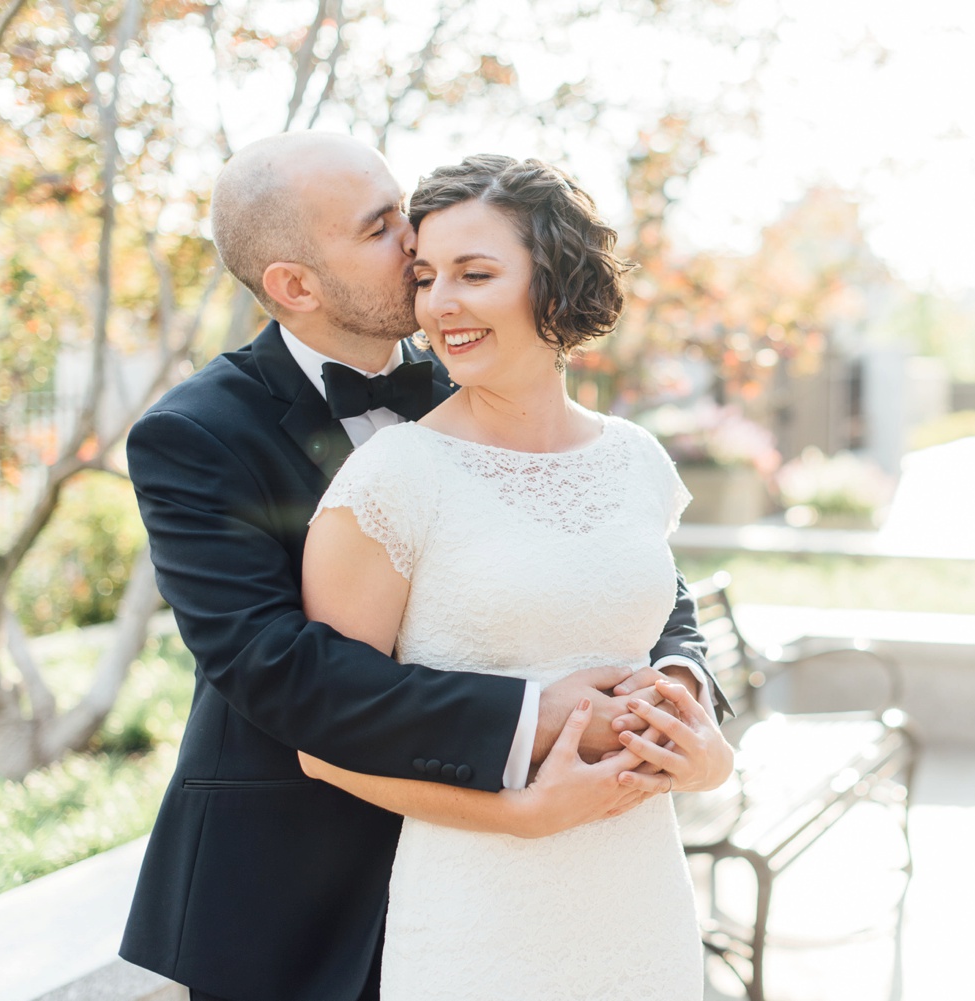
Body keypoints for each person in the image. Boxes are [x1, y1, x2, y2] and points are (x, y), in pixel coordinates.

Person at [118, 132, 730, 1001]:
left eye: (406, 216)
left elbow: (628, 580)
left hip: (572, 868)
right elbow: (278, 669)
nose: (416, 247)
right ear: (294, 284)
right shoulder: (196, 434)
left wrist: (679, 691)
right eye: (380, 230)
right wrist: (538, 716)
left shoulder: (480, 371)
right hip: (297, 887)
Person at [295, 152, 735, 1000]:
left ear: (555, 285)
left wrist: (709, 758)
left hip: (642, 902)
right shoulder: (396, 475)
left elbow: (664, 630)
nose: (439, 304)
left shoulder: (636, 459)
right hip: (480, 914)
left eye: (476, 273)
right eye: (426, 277)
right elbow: (325, 744)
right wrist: (519, 815)